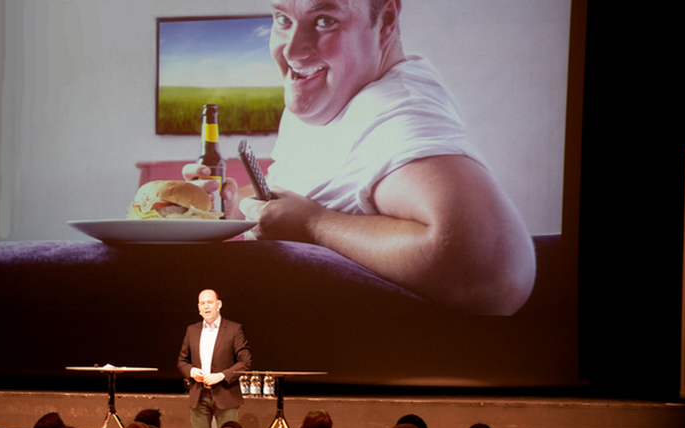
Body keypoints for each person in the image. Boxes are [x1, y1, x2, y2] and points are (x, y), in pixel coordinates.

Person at [186, 0, 535, 315]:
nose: (291, 51)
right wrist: (229, 205)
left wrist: (316, 225)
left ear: (385, 21)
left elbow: (494, 270)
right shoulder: (334, 91)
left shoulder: (396, 113)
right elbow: (316, 191)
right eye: (282, 19)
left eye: (324, 21)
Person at [177, 289, 252, 428]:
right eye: (202, 303)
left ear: (219, 304)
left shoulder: (234, 329)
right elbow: (182, 361)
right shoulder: (192, 330)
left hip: (225, 394)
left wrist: (222, 375)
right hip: (199, 394)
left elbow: (246, 362)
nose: (206, 306)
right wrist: (192, 371)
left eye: (210, 302)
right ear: (198, 308)